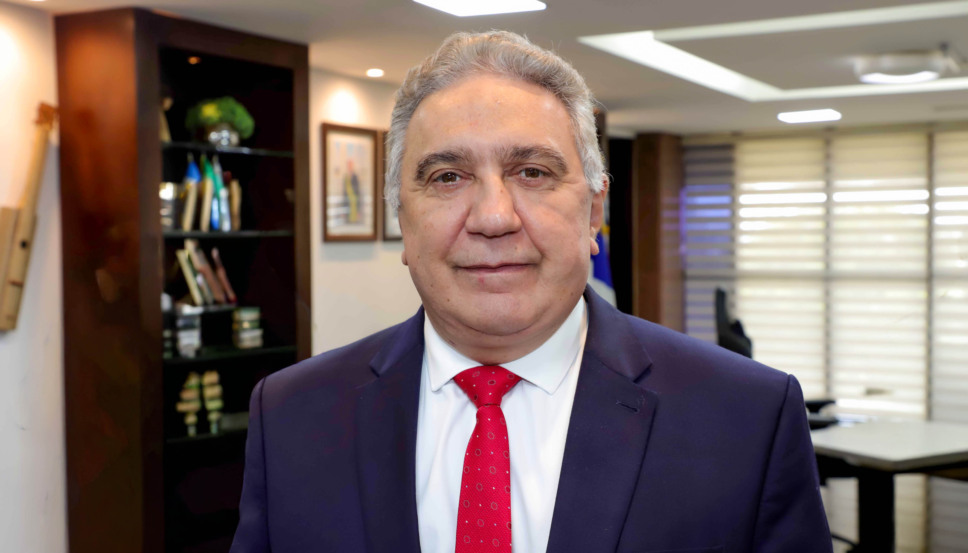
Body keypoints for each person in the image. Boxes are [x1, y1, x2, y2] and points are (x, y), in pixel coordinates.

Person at [230, 31, 832, 553]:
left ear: (593, 211)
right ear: (403, 222)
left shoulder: (747, 417)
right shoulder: (291, 415)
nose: (493, 217)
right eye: (448, 176)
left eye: (532, 172)